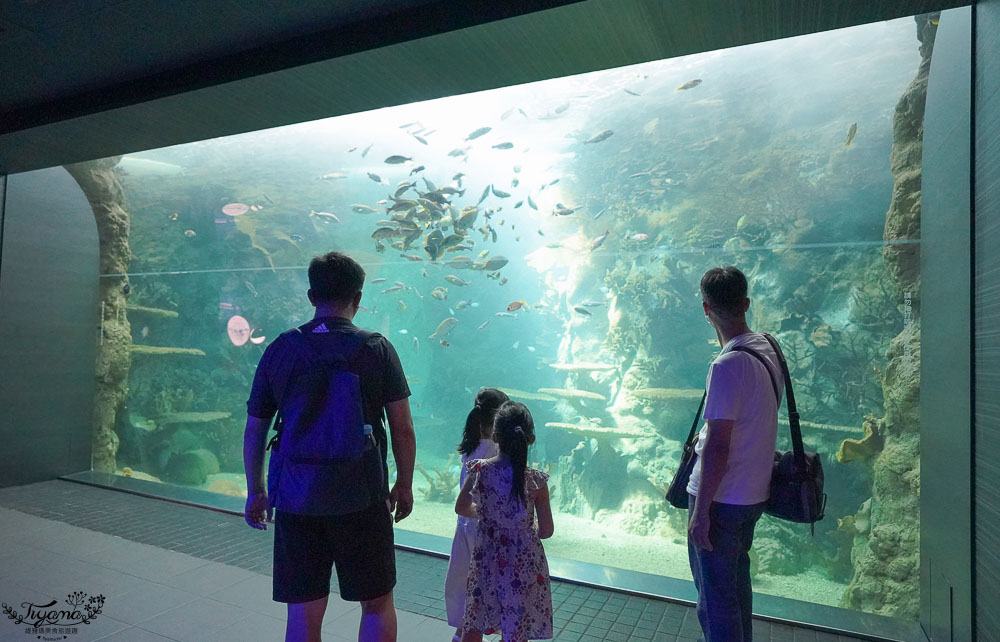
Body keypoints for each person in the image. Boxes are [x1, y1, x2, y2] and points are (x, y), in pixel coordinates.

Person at [242, 251, 417, 642]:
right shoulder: (377, 348)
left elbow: (256, 428)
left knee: (303, 610)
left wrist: (257, 490)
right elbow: (402, 428)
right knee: (376, 602)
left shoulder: (281, 349)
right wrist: (404, 485)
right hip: (362, 496)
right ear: (358, 298)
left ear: (310, 296)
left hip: (297, 496)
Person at [686, 266, 781, 642]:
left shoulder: (725, 365)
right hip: (753, 494)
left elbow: (719, 444)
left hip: (722, 499)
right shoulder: (768, 347)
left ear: (706, 309)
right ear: (745, 303)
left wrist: (701, 512)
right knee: (738, 588)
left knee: (715, 600)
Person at [456, 401, 554, 642]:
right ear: (530, 439)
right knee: (516, 624)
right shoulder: (536, 482)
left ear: (495, 436)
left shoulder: (479, 470)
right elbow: (547, 530)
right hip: (523, 563)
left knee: (475, 618)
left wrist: (488, 514)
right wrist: (526, 528)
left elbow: (461, 507)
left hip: (486, 559)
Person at [444, 388, 510, 642]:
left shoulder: (470, 446)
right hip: (485, 529)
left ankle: (461, 634)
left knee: (464, 584)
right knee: (484, 589)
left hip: (465, 527)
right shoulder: (495, 449)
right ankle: (471, 632)